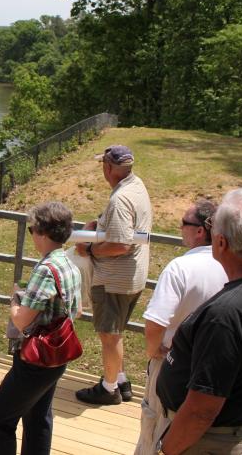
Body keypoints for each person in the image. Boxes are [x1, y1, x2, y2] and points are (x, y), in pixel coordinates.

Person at [155, 188, 242, 455]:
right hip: (233, 430)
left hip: (204, 442)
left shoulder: (225, 316)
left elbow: (201, 412)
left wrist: (165, 449)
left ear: (222, 243)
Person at [0, 202, 81, 455]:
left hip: (35, 360)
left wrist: (15, 299)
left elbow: (22, 320)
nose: (32, 236)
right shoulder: (70, 264)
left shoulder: (46, 269)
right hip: (56, 358)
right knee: (38, 416)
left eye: (32, 230)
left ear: (43, 233)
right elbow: (77, 311)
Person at [134, 200, 227, 455]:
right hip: (211, 371)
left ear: (200, 231)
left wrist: (154, 350)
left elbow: (155, 321)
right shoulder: (231, 266)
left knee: (154, 420)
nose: (179, 227)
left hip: (172, 363)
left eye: (184, 223)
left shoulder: (180, 268)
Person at [75, 145, 152, 405]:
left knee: (109, 337)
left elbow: (121, 245)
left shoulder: (119, 200)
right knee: (116, 332)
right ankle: (121, 380)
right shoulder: (137, 186)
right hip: (132, 278)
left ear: (109, 168)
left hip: (113, 282)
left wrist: (89, 248)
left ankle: (109, 390)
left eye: (102, 165)